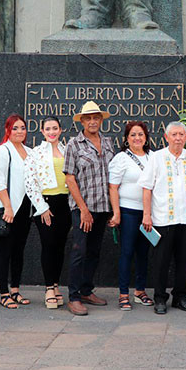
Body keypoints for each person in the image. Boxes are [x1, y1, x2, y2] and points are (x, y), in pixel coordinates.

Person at [139, 122, 186, 315]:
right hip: (163, 218)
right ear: (166, 136)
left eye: (181, 134)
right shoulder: (156, 157)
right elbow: (146, 187)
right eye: (174, 134)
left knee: (184, 260)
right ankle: (160, 298)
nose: (178, 138)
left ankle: (180, 296)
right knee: (161, 261)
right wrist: (147, 214)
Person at [64, 101, 115, 316]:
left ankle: (86, 290)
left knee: (94, 251)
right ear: (82, 121)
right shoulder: (74, 145)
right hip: (83, 208)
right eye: (88, 118)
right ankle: (74, 296)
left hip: (103, 207)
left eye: (96, 118)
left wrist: (114, 209)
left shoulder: (109, 142)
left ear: (101, 120)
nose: (93, 121)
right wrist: (83, 209)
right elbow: (70, 178)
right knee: (80, 250)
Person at [0, 114, 40, 309]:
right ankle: (3, 293)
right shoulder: (2, 152)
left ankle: (15, 290)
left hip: (25, 210)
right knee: (5, 251)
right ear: (8, 130)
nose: (20, 131)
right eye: (15, 128)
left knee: (19, 251)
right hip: (7, 209)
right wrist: (8, 207)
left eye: (23, 128)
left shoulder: (30, 152)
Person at [24, 116, 71, 309]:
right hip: (46, 204)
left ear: (61, 130)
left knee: (60, 247)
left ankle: (56, 285)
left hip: (65, 203)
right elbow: (29, 182)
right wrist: (41, 207)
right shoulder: (36, 153)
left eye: (55, 128)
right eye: (48, 129)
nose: (52, 132)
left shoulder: (68, 150)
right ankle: (48, 288)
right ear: (42, 132)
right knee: (48, 245)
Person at [108, 121, 153, 311]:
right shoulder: (121, 158)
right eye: (133, 135)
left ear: (146, 137)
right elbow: (113, 187)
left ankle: (140, 291)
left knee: (143, 254)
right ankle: (123, 294)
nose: (137, 138)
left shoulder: (153, 157)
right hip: (127, 212)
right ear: (126, 139)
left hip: (148, 214)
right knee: (127, 253)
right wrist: (116, 213)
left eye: (141, 134)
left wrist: (149, 213)